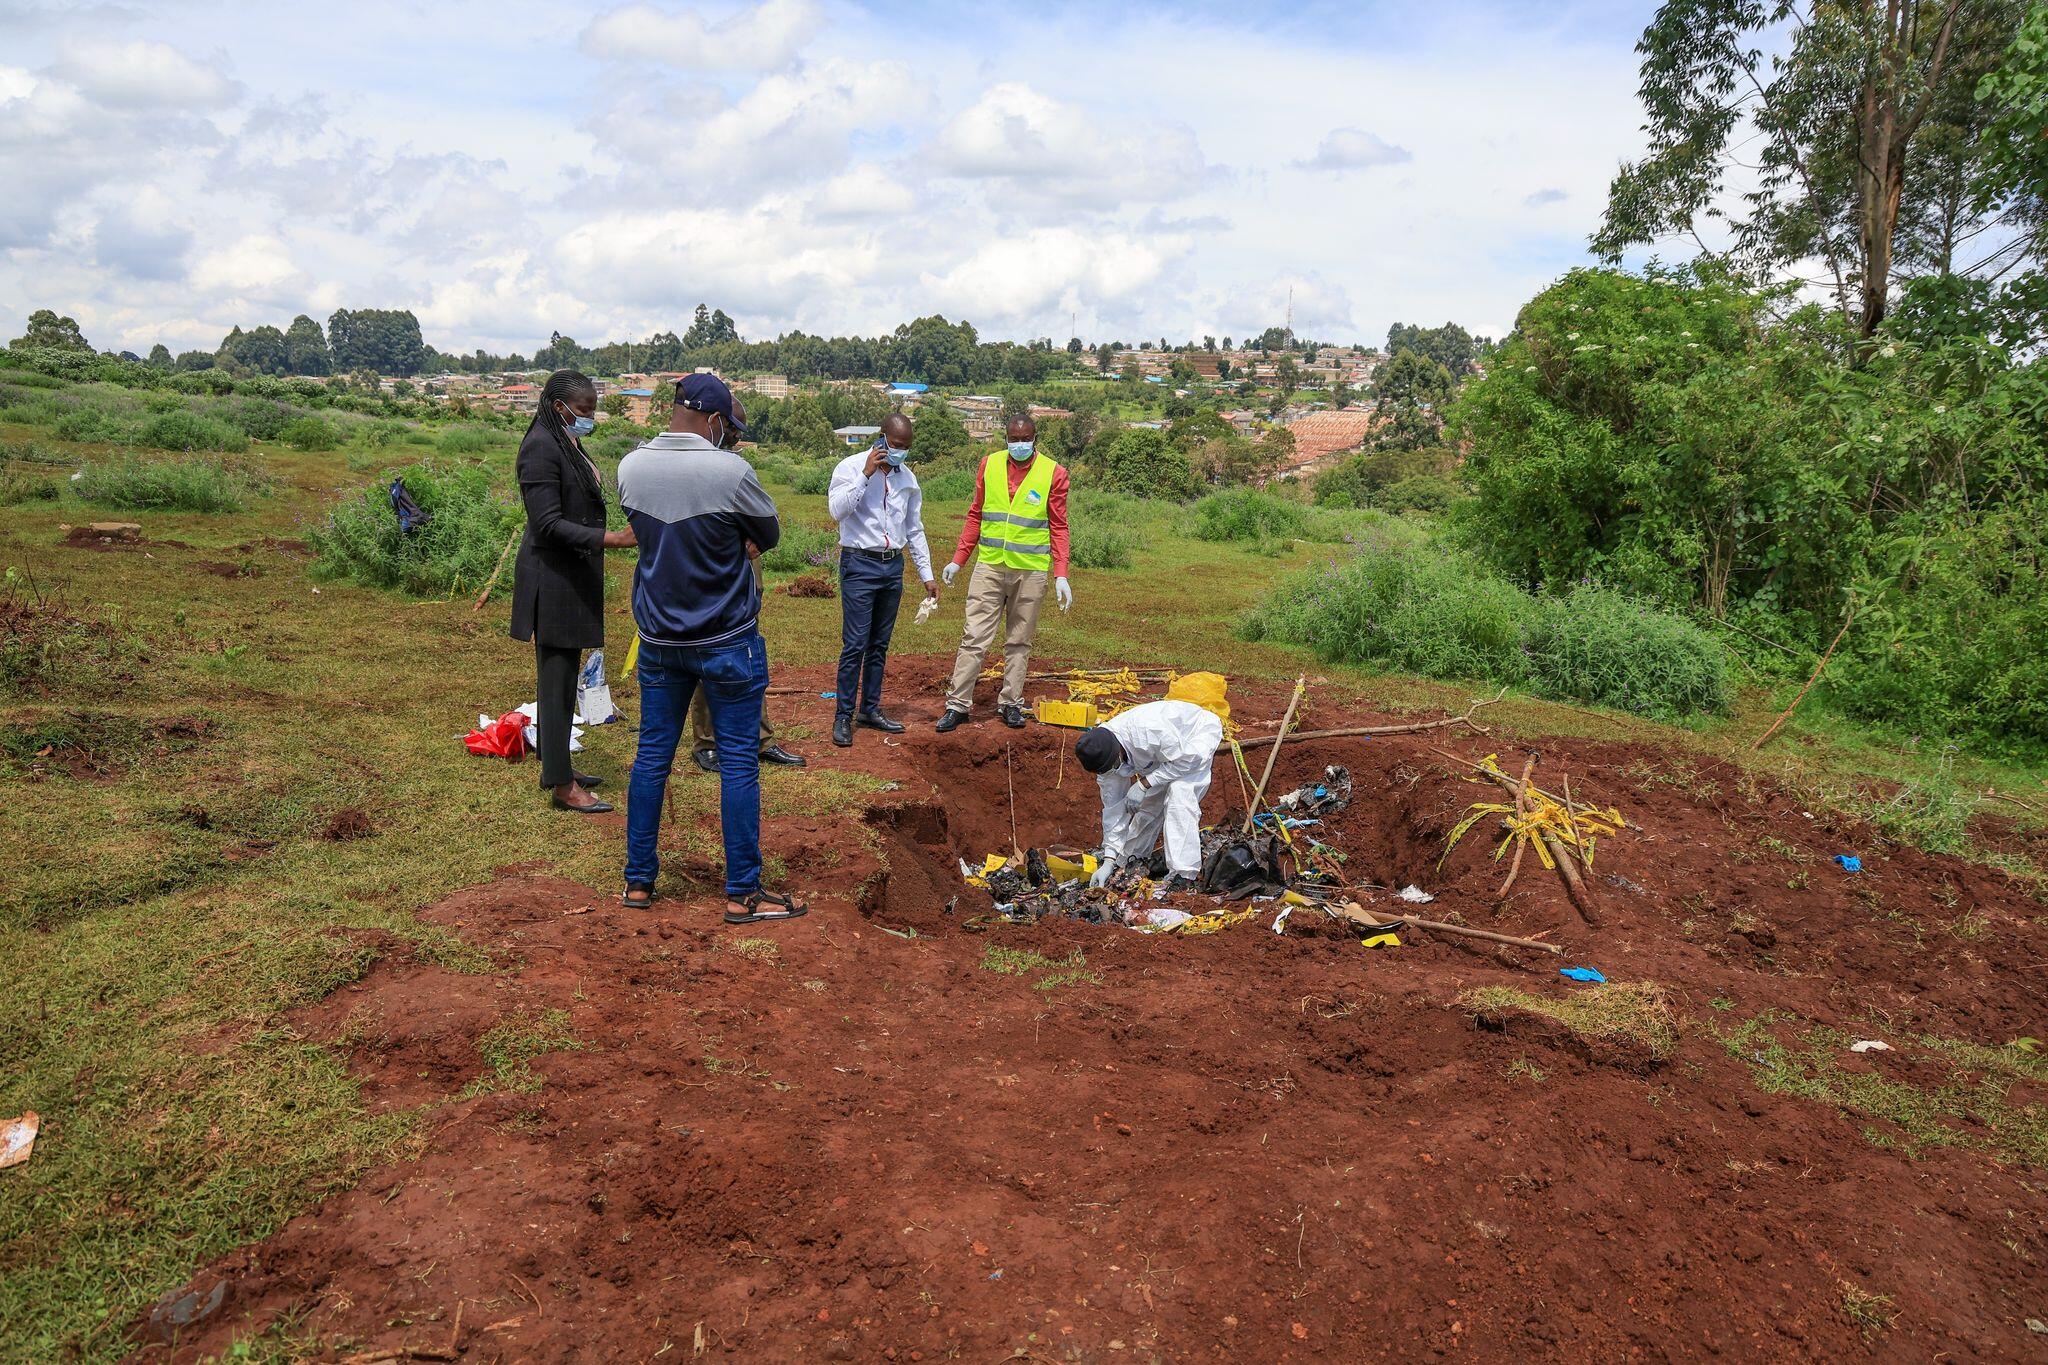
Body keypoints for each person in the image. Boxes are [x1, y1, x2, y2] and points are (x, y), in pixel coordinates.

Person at [618, 374, 807, 924]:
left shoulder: (630, 467)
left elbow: (646, 535)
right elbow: (768, 535)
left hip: (659, 641)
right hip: (726, 640)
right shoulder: (731, 472)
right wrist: (732, 541)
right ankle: (743, 892)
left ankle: (638, 883)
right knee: (740, 763)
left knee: (652, 757)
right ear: (717, 421)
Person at [509, 368, 635, 814]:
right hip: (553, 578)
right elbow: (547, 523)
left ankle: (556, 764)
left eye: (592, 410)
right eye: (583, 410)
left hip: (569, 575)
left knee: (560, 681)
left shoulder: (564, 439)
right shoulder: (541, 447)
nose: (589, 418)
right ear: (558, 405)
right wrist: (610, 539)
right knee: (557, 680)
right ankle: (563, 787)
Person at [935, 415, 1071, 732]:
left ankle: (1011, 702)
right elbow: (976, 514)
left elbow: (1059, 526)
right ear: (1006, 438)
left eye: (1025, 439)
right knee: (974, 636)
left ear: (1035, 439)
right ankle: (957, 705)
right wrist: (958, 559)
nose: (1019, 444)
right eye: (1014, 438)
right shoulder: (989, 465)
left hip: (1030, 571)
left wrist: (1061, 574)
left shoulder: (1054, 472)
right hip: (990, 565)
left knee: (1019, 640)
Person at [826, 412, 937, 747]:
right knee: (855, 643)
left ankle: (869, 709)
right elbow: (837, 511)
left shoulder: (908, 480)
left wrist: (927, 574)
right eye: (896, 444)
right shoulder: (850, 467)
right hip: (859, 564)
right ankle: (843, 715)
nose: (900, 451)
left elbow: (914, 528)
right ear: (882, 437)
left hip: (892, 567)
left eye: (906, 447)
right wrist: (866, 475)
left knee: (879, 645)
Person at [1074, 699, 1225, 891]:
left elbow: (1188, 760)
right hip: (1162, 755)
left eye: (1114, 765)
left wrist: (1145, 783)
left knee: (1179, 793)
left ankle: (1184, 875)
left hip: (1193, 740)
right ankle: (1128, 863)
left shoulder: (1148, 732)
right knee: (1147, 807)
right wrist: (1109, 858)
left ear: (1117, 750)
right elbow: (1114, 808)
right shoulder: (1105, 763)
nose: (1115, 770)